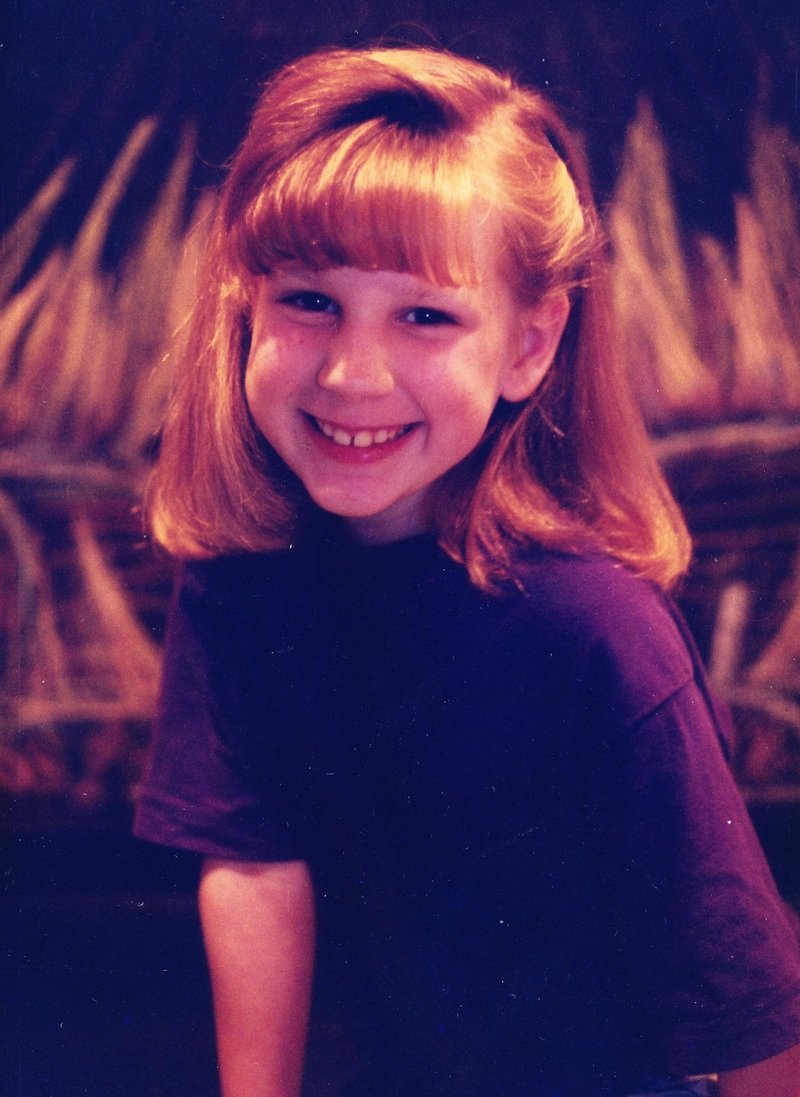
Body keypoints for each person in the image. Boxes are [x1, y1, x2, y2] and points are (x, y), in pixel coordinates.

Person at [133, 46, 800, 1097]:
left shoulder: (595, 631)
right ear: (241, 308)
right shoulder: (241, 579)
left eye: (424, 315)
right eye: (309, 301)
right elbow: (256, 867)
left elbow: (746, 1001)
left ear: (529, 345)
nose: (353, 372)